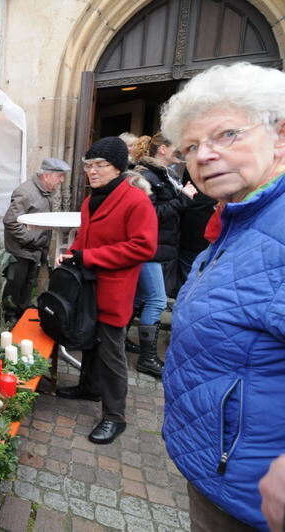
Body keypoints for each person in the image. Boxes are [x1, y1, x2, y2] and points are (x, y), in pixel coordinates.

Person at [160, 62, 285, 531]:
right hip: (223, 473)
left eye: (226, 135)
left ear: (280, 136)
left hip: (260, 496)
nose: (204, 156)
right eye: (191, 146)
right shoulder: (239, 219)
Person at [55, 137, 157, 445]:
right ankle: (89, 388)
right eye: (89, 166)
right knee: (89, 341)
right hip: (87, 288)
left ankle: (115, 416)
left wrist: (89, 257)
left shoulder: (136, 200)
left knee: (112, 353)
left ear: (118, 167)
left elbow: (143, 247)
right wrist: (72, 252)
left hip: (114, 290)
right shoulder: (90, 200)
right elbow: (84, 240)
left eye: (101, 165)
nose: (93, 172)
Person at [127, 134, 197, 378]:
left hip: (161, 246)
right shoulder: (145, 176)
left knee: (138, 299)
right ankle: (147, 359)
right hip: (149, 247)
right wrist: (182, 200)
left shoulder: (167, 175)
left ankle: (117, 341)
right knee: (156, 301)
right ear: (163, 149)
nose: (182, 153)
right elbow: (148, 214)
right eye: (178, 148)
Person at [2, 157, 68, 321]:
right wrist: (29, 240)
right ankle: (8, 319)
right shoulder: (25, 192)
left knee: (28, 285)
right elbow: (10, 221)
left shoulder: (45, 191)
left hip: (34, 250)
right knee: (15, 287)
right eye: (59, 176)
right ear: (47, 176)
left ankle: (22, 314)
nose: (62, 181)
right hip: (21, 251)